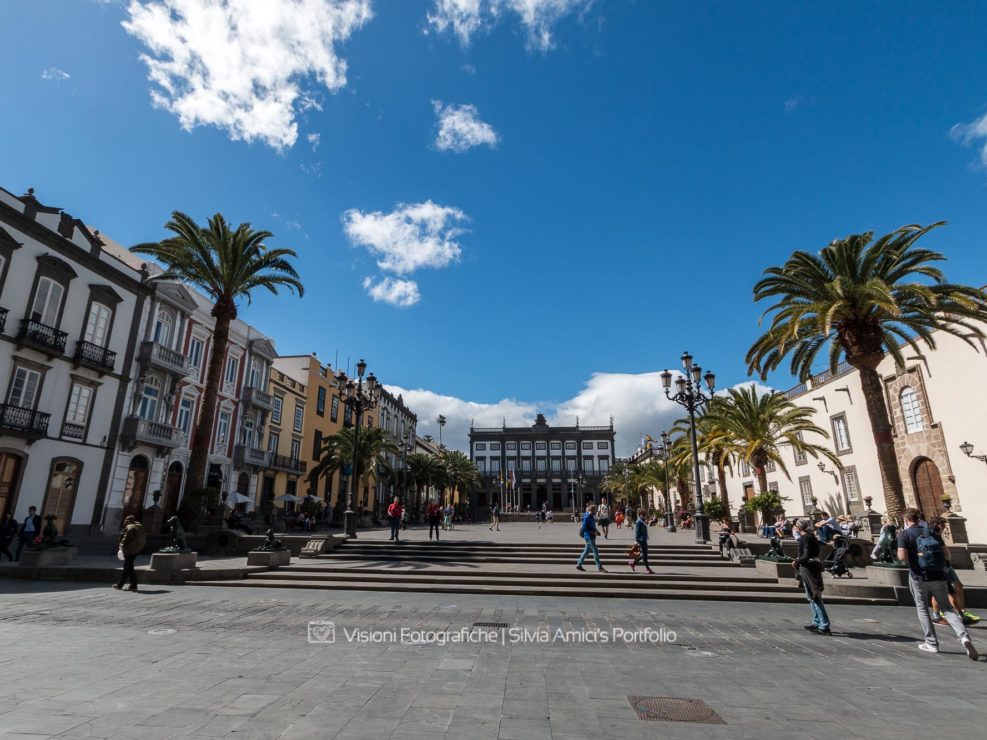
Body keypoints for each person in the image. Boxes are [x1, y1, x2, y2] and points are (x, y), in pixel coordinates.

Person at [897, 507, 977, 659]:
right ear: (919, 518)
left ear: (906, 520)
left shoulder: (904, 535)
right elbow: (947, 555)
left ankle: (931, 643)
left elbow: (901, 556)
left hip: (918, 576)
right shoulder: (932, 532)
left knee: (922, 609)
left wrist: (914, 561)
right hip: (939, 576)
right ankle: (964, 637)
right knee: (947, 609)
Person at [927, 517, 980, 626]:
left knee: (957, 586)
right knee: (945, 591)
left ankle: (961, 612)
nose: (945, 528)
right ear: (937, 525)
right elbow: (945, 553)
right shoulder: (933, 535)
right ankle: (953, 614)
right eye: (943, 525)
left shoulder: (935, 535)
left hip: (946, 566)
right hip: (941, 567)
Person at [792, 518, 831, 635]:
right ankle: (817, 622)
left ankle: (824, 626)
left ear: (798, 527)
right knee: (811, 596)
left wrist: (797, 561)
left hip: (809, 568)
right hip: (809, 567)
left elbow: (806, 555)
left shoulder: (805, 538)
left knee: (815, 596)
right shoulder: (810, 536)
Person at [114, 515, 146, 592]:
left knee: (129, 567)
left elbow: (126, 537)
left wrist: (121, 546)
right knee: (127, 567)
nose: (125, 521)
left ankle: (133, 585)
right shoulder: (140, 526)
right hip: (136, 549)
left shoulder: (130, 527)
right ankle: (120, 584)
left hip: (129, 550)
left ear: (128, 520)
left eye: (126, 520)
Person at [576, 504, 606, 572]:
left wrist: (596, 531)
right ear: (591, 510)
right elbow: (584, 528)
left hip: (591, 536)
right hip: (588, 536)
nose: (596, 511)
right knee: (596, 551)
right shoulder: (587, 517)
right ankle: (599, 567)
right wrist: (592, 532)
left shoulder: (591, 516)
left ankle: (579, 565)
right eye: (595, 510)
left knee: (586, 551)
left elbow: (592, 526)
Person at [629, 509, 654, 574]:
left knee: (644, 554)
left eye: (645, 515)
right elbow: (637, 532)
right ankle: (648, 569)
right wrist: (636, 540)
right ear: (640, 515)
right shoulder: (638, 522)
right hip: (641, 540)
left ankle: (633, 563)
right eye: (643, 515)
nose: (645, 516)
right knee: (645, 555)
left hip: (644, 539)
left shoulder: (642, 521)